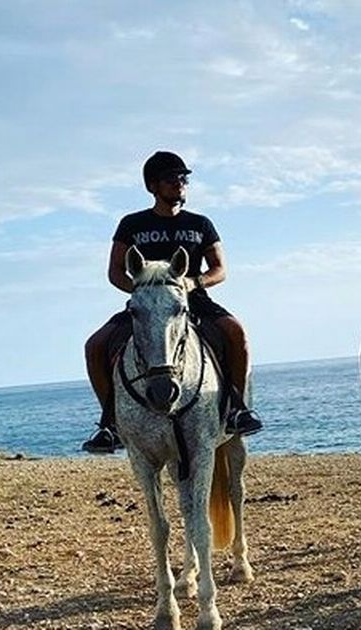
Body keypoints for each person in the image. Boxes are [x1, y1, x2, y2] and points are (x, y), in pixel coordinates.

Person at [81, 151, 263, 453]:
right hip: (146, 304)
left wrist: (195, 282)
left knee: (236, 333)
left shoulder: (201, 223)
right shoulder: (132, 223)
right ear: (153, 186)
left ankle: (237, 407)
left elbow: (220, 269)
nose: (179, 183)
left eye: (183, 178)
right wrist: (140, 293)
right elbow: (115, 271)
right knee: (95, 345)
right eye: (171, 178)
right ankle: (110, 423)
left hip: (193, 299)